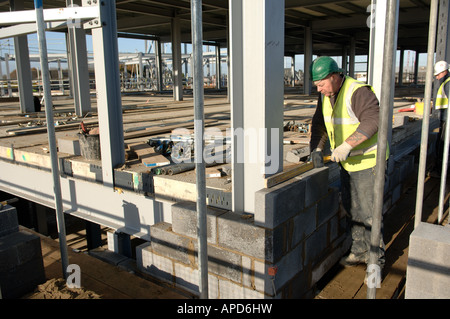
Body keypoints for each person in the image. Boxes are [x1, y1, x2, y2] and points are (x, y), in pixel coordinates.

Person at [308, 56, 389, 278]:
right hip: (348, 164)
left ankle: (375, 262)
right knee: (353, 209)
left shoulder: (358, 92)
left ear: (334, 77)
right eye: (316, 85)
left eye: (321, 83)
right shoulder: (325, 95)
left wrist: (346, 145)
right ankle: (359, 251)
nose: (319, 88)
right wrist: (316, 149)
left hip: (368, 163)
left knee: (370, 214)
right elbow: (319, 123)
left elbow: (374, 120)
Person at [433, 60, 450, 173]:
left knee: (443, 144)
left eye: (438, 74)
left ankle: (441, 169)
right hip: (445, 118)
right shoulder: (446, 82)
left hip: (447, 120)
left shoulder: (448, 83)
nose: (437, 77)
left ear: (444, 72)